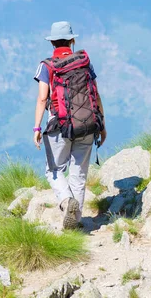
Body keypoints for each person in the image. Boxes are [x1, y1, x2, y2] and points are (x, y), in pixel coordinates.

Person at [33, 21, 106, 229]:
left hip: (59, 125)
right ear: (72, 40)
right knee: (78, 173)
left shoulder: (47, 66)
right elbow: (96, 93)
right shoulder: (84, 62)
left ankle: (66, 201)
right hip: (87, 123)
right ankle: (76, 221)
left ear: (52, 42)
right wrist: (102, 125)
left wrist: (37, 128)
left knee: (53, 170)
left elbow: (41, 98)